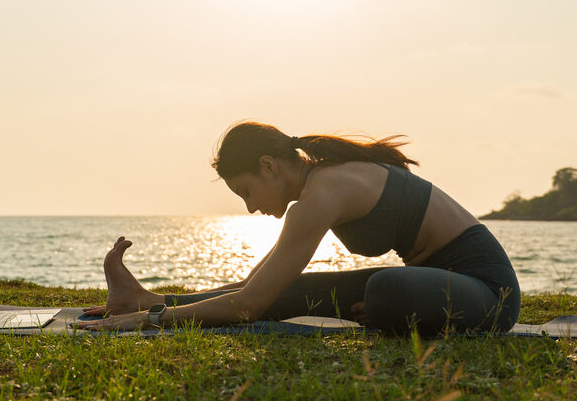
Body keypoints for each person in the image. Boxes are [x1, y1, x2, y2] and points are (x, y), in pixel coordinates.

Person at [73, 121, 520, 335]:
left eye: (246, 191)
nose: (249, 208)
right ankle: (136, 297)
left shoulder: (324, 192)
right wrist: (155, 303)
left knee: (388, 291)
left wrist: (152, 321)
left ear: (268, 166)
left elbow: (248, 307)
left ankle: (144, 305)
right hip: (441, 282)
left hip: (488, 293)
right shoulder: (317, 186)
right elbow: (256, 289)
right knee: (293, 288)